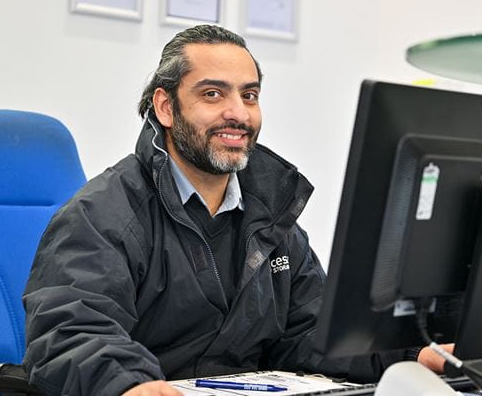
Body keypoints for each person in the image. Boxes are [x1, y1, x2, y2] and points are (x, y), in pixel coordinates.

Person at [22, 25, 449, 396]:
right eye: (212, 94)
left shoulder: (272, 216)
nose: (237, 113)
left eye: (250, 95)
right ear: (166, 107)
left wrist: (412, 353)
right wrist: (126, 386)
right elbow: (72, 333)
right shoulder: (104, 215)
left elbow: (307, 332)